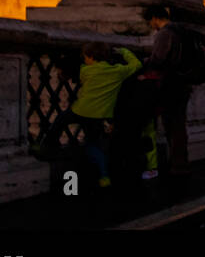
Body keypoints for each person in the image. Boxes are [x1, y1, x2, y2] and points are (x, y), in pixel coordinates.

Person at [36, 42, 141, 187]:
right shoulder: (118, 71)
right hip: (100, 115)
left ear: (91, 57)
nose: (84, 59)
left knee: (60, 121)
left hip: (80, 111)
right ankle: (104, 177)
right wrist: (124, 51)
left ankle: (47, 146)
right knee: (94, 145)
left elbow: (69, 71)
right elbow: (137, 65)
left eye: (85, 57)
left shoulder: (86, 71)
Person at [136, 4, 199, 176]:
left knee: (172, 126)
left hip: (171, 85)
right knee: (179, 125)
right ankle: (180, 163)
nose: (151, 25)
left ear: (155, 18)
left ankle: (178, 166)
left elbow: (158, 59)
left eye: (150, 21)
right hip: (184, 84)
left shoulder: (165, 34)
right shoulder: (182, 31)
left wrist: (142, 66)